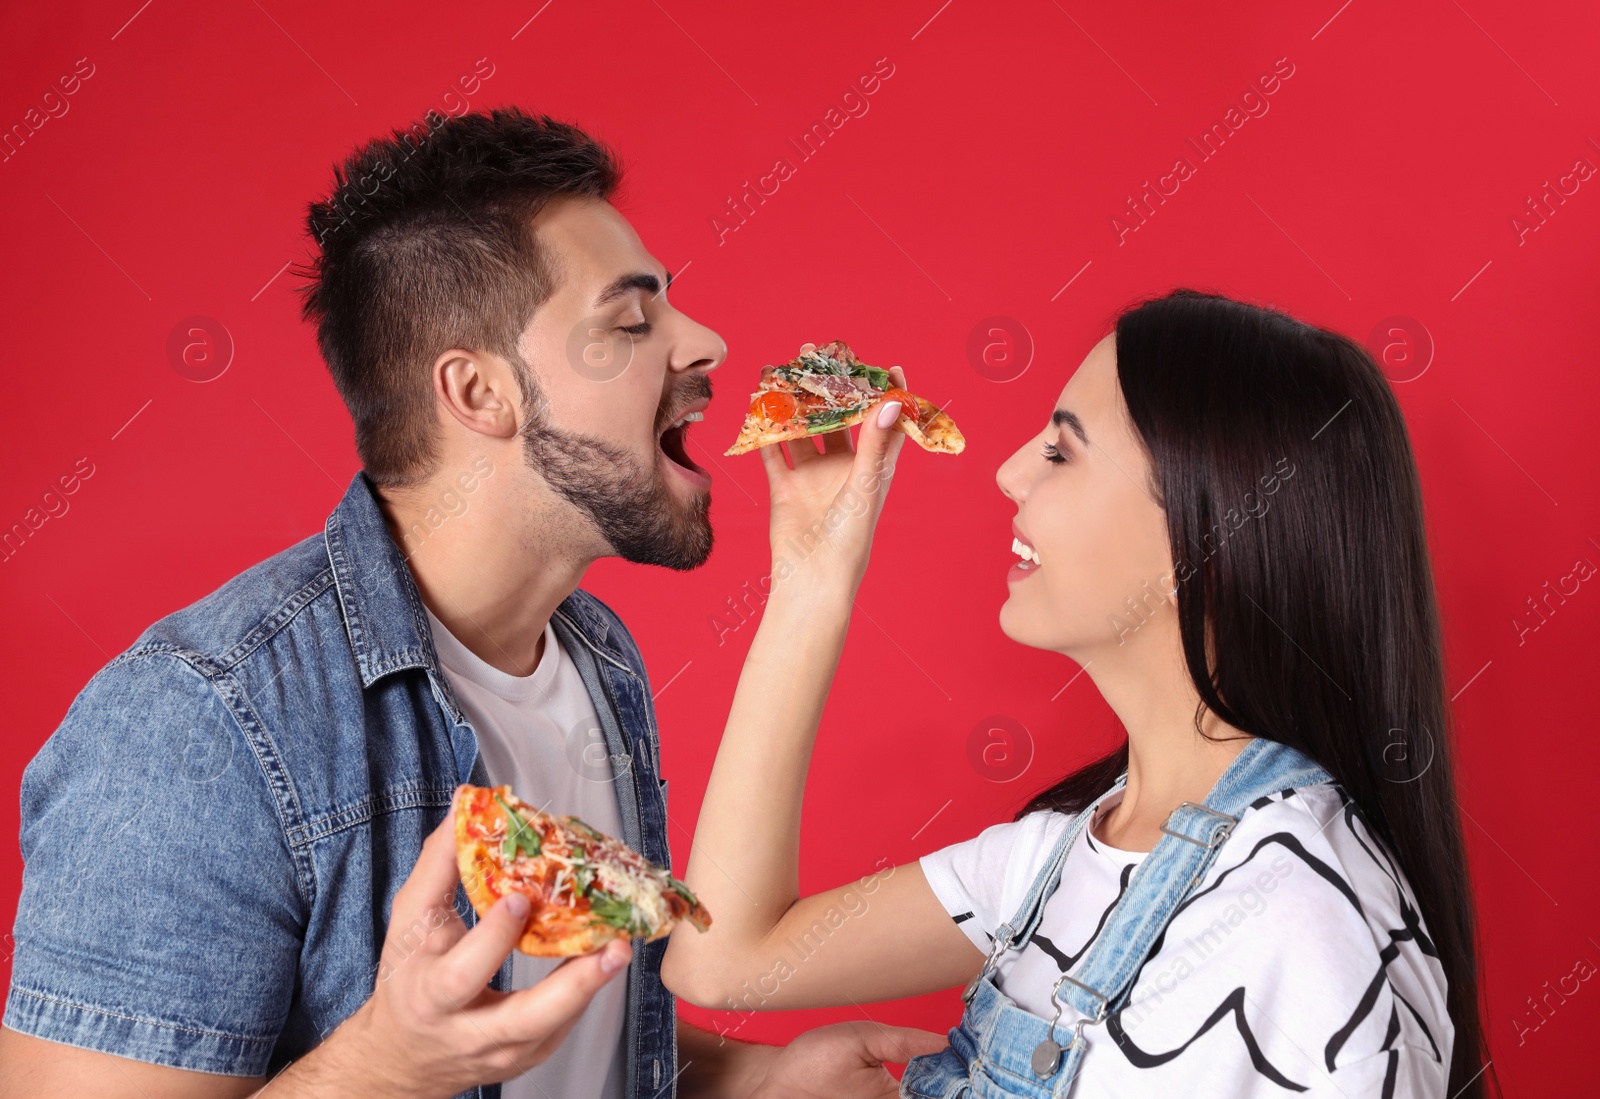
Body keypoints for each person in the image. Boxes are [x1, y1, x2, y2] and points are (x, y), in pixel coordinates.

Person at [0, 107, 941, 1099]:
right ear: (480, 393)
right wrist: (383, 1067)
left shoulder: (593, 655)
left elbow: (550, 1031)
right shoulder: (199, 723)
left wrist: (753, 1077)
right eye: (631, 320)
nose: (704, 342)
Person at [662, 290, 1496, 1098]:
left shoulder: (1303, 922)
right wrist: (810, 580)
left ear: (1200, 539)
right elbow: (723, 957)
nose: (1008, 472)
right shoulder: (1059, 858)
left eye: (1061, 451)